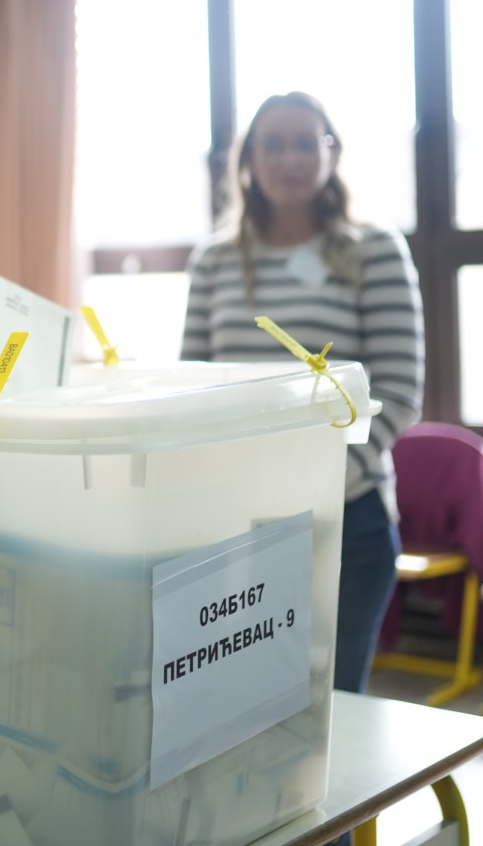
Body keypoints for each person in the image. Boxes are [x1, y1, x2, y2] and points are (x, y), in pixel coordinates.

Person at [181, 91, 425, 695]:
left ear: (331, 152)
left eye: (303, 143)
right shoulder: (213, 260)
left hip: (345, 518)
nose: (288, 159)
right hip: (231, 518)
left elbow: (398, 389)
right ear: (247, 162)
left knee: (328, 706)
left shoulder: (373, 249)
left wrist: (321, 481)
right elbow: (190, 385)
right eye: (273, 144)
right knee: (237, 703)